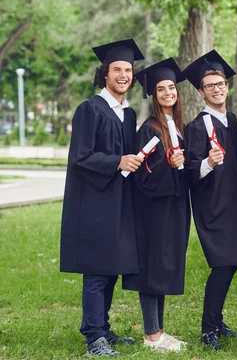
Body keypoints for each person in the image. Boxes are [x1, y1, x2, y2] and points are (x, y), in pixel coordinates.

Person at [60, 39, 144, 357]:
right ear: (105, 74)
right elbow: (80, 157)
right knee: (96, 270)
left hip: (120, 200)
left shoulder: (128, 113)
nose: (124, 74)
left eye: (128, 70)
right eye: (117, 69)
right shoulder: (89, 109)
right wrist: (117, 161)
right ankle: (94, 337)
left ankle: (103, 328)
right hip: (94, 201)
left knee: (111, 266)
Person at [122, 58, 190, 352]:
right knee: (151, 267)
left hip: (174, 207)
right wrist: (169, 164)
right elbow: (143, 174)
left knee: (162, 268)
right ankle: (152, 335)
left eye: (171, 87)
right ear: (154, 95)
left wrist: (183, 164)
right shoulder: (149, 129)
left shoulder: (179, 126)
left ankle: (159, 332)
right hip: (153, 208)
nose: (167, 93)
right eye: (161, 89)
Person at [182, 50, 237, 351]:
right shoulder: (196, 127)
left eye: (221, 83)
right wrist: (208, 161)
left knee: (232, 263)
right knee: (223, 264)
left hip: (234, 201)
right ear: (201, 92)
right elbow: (190, 172)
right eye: (210, 85)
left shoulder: (231, 120)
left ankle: (217, 321)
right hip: (211, 204)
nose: (218, 88)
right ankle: (209, 329)